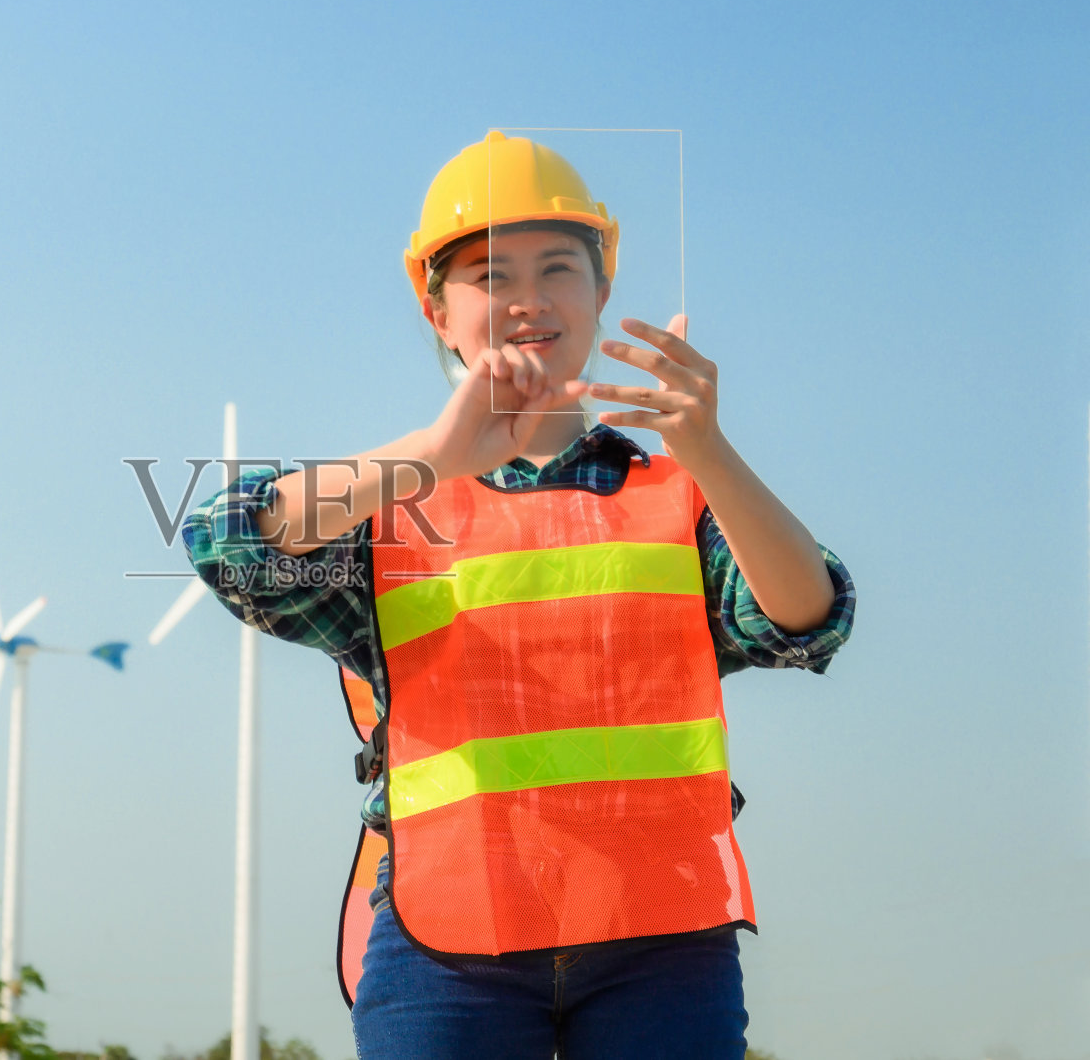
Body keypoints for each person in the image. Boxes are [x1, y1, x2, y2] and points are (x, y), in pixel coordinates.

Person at [182, 131, 855, 1060]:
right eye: (489, 275)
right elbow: (225, 541)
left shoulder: (684, 493)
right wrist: (428, 457)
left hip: (661, 939)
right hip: (449, 944)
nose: (529, 299)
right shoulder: (391, 508)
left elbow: (806, 621)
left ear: (604, 289)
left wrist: (712, 454)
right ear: (437, 310)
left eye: (557, 268)